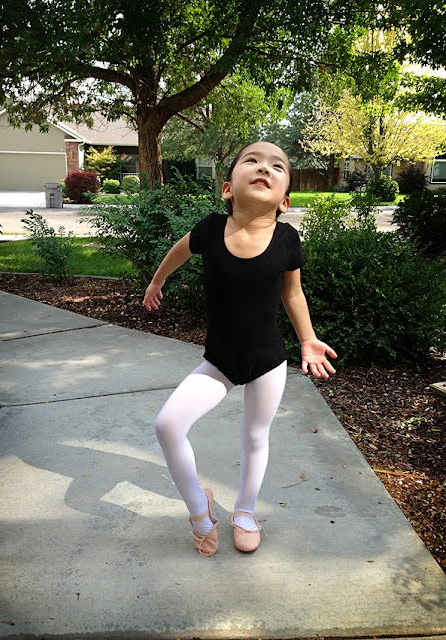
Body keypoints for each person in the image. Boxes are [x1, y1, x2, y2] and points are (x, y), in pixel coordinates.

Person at [143, 141, 336, 557]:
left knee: (254, 435)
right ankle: (200, 511)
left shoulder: (286, 238)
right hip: (220, 361)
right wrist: (157, 281)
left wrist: (307, 339)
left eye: (277, 166)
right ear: (228, 188)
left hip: (267, 361)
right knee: (167, 425)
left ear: (284, 201)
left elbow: (293, 294)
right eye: (252, 160)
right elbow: (178, 252)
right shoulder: (211, 229)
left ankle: (245, 511)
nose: (264, 167)